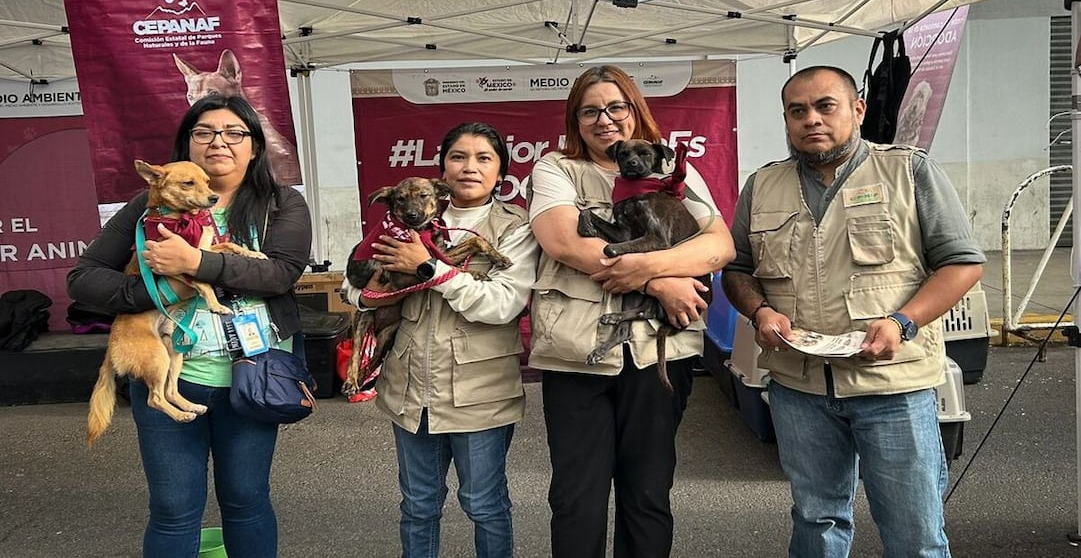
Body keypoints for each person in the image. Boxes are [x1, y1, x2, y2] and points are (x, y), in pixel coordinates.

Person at [721, 65, 984, 557]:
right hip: (799, 388)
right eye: (797, 111)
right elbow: (737, 269)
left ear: (858, 109)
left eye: (826, 106)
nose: (811, 120)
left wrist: (903, 323)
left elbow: (963, 264)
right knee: (816, 521)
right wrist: (758, 312)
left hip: (892, 385)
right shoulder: (763, 185)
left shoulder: (908, 171)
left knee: (914, 530)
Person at [68, 94, 312, 558]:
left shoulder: (281, 203)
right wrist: (164, 291)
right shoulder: (147, 204)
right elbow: (83, 279)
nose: (218, 142)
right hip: (174, 372)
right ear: (187, 147)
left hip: (253, 377)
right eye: (204, 133)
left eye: (234, 133)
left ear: (254, 147)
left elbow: (281, 273)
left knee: (246, 501)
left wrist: (197, 262)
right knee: (174, 510)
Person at [526, 65, 734, 557]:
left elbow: (719, 246)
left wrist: (652, 270)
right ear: (575, 121)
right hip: (577, 352)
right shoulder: (557, 169)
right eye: (590, 111)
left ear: (635, 112)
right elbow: (564, 241)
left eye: (616, 107)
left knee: (647, 493)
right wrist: (660, 278)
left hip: (659, 352)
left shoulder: (675, 173)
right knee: (578, 496)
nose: (605, 119)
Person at [347, 121, 539, 558]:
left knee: (484, 505)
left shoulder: (515, 228)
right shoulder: (406, 221)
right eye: (458, 157)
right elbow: (355, 288)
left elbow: (503, 304)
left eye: (484, 158)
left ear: (501, 173)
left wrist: (428, 268)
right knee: (417, 506)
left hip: (480, 392)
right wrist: (363, 295)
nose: (470, 167)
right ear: (441, 171)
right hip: (410, 388)